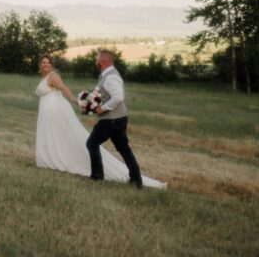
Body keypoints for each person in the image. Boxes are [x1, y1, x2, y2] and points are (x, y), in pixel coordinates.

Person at [33, 54, 165, 189]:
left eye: (97, 60)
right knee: (123, 149)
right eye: (43, 63)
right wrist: (90, 103)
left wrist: (99, 107)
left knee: (92, 143)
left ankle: (98, 176)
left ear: (103, 62)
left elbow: (118, 97)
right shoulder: (106, 75)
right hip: (117, 119)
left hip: (111, 119)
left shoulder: (111, 76)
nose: (96, 62)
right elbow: (102, 94)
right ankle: (136, 180)